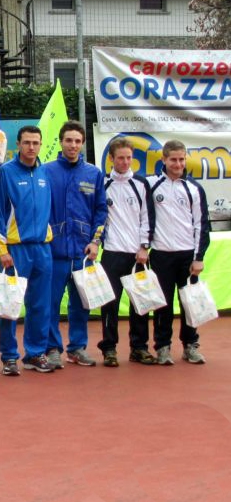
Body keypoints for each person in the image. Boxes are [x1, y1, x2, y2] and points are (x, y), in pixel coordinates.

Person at [0, 125, 55, 376]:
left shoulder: (44, 172)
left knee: (40, 305)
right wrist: (0, 249)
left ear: (40, 145)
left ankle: (35, 353)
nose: (31, 147)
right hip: (15, 250)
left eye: (36, 143)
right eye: (27, 142)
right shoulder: (6, 172)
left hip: (42, 249)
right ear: (18, 144)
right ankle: (9, 357)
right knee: (10, 305)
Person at [44, 120, 108, 368]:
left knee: (82, 303)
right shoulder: (46, 171)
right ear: (61, 142)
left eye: (77, 141)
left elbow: (101, 211)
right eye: (69, 140)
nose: (73, 145)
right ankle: (52, 348)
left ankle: (77, 348)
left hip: (83, 251)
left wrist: (95, 241)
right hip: (54, 250)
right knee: (50, 303)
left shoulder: (93, 173)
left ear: (83, 144)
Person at [148, 140, 210, 365]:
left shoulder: (194, 188)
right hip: (161, 254)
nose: (178, 164)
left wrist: (198, 257)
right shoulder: (151, 185)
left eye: (181, 159)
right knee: (162, 304)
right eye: (173, 159)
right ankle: (163, 347)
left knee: (189, 303)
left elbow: (201, 225)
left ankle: (190, 345)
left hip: (187, 255)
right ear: (163, 159)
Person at [97, 138, 155, 367]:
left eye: (128, 157)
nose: (125, 162)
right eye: (120, 158)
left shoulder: (141, 184)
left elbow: (147, 217)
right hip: (111, 253)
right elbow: (97, 217)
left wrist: (144, 247)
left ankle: (139, 348)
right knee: (109, 303)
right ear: (111, 159)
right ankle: (109, 349)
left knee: (140, 303)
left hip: (137, 255)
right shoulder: (102, 184)